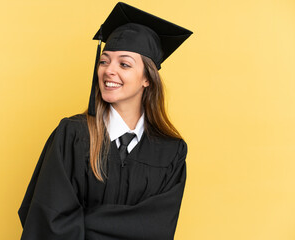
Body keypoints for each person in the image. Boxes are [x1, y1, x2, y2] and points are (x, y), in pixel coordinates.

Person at [18, 2, 192, 240]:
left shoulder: (170, 153)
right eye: (104, 61)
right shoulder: (73, 135)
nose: (109, 70)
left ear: (147, 79)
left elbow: (157, 230)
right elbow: (47, 218)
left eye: (124, 64)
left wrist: (85, 221)